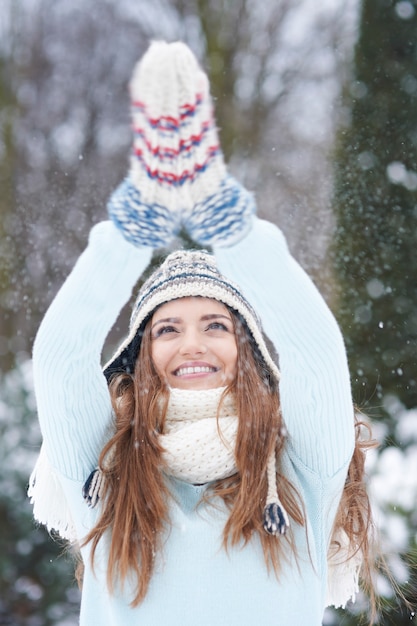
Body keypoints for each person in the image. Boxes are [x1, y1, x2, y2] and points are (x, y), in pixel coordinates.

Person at [29, 41, 375, 625]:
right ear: (140, 353)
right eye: (167, 328)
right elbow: (60, 354)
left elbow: (315, 350)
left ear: (250, 350)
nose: (192, 343)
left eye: (216, 324)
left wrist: (230, 225)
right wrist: (134, 226)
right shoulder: (106, 463)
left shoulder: (300, 470)